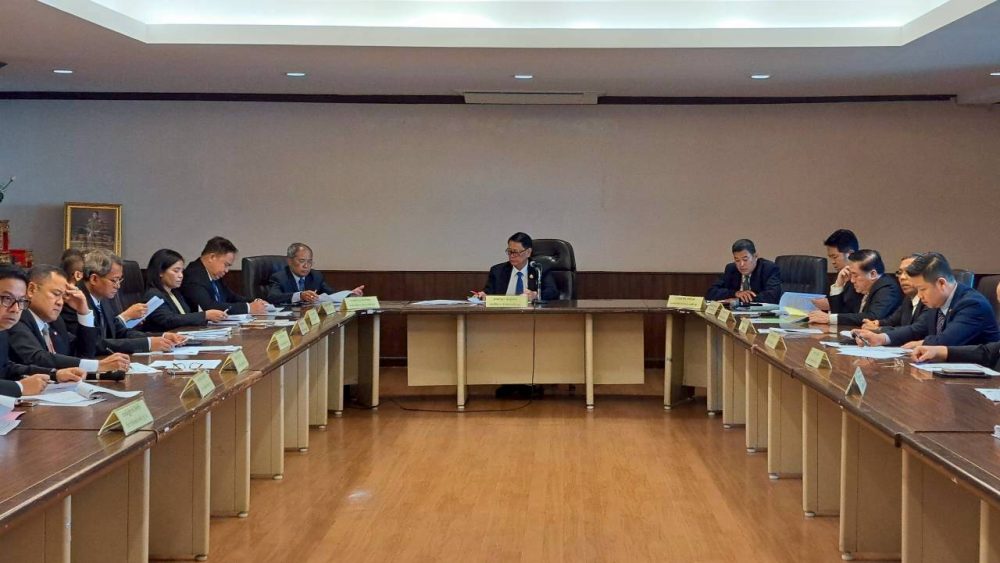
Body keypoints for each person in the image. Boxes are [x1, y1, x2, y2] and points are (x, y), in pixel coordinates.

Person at [853, 252, 999, 347]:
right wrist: (882, 338)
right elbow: (916, 330)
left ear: (941, 283)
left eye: (922, 289)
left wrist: (919, 344)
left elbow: (946, 341)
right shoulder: (938, 302)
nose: (920, 296)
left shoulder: (972, 304)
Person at [7, 265, 130, 373]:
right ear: (31, 290)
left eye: (63, 296)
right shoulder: (15, 317)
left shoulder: (56, 322)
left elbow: (84, 353)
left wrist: (83, 312)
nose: (60, 302)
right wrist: (97, 366)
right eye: (56, 294)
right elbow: (37, 358)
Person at [62, 249, 185, 354]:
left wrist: (161, 337)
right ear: (94, 279)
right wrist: (147, 344)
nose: (118, 286)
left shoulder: (103, 298)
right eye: (114, 280)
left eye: (120, 280)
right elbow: (95, 344)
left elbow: (119, 331)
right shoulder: (74, 301)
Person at [0, 265, 84, 398]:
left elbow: (6, 368)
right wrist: (20, 387)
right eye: (7, 298)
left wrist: (54, 374)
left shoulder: (2, 330)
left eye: (21, 300)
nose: (15, 309)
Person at [807, 249, 901, 327]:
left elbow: (872, 317)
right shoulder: (860, 287)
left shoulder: (887, 288)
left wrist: (830, 318)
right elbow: (840, 312)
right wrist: (839, 285)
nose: (852, 280)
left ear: (873, 274)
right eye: (851, 274)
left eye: (855, 275)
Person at [142, 249, 228, 332]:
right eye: (176, 271)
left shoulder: (175, 293)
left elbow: (185, 317)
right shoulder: (153, 294)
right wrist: (205, 315)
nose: (181, 275)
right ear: (160, 272)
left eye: (182, 271)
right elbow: (168, 320)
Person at [181, 236, 268, 315]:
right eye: (226, 265)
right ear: (212, 257)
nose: (227, 270)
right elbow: (209, 307)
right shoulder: (193, 276)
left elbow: (231, 297)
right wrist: (248, 308)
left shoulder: (214, 274)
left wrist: (255, 301)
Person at [267, 243, 364, 305]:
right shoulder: (280, 277)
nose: (306, 266)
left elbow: (331, 294)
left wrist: (349, 294)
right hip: (288, 320)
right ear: (289, 261)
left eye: (309, 262)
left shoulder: (315, 276)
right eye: (302, 261)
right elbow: (272, 297)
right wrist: (299, 296)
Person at [473, 232, 558, 302]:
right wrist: (482, 295)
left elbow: (552, 292)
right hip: (502, 314)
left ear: (528, 252)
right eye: (509, 251)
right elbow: (488, 293)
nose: (512, 256)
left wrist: (535, 295)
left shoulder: (539, 269)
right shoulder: (497, 271)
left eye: (516, 252)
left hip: (530, 314)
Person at [704, 239, 782, 304]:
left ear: (755, 257)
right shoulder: (731, 269)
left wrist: (738, 301)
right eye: (737, 260)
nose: (741, 264)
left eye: (745, 259)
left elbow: (772, 297)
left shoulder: (768, 268)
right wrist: (736, 293)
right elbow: (711, 293)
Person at [861, 254, 926, 330]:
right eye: (900, 272)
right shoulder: (908, 299)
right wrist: (877, 323)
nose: (902, 277)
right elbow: (892, 321)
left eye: (909, 272)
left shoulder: (929, 301)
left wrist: (879, 329)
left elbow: (915, 330)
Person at [812, 229, 862, 313]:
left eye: (835, 257)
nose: (832, 262)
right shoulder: (840, 274)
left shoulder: (860, 279)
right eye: (830, 257)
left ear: (850, 254)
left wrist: (830, 305)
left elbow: (852, 311)